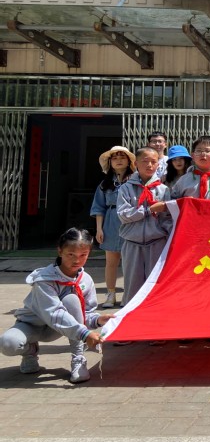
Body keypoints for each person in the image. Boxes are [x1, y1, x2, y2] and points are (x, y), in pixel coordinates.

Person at [0, 228, 112, 383]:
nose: (77, 260)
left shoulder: (86, 280)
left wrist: (98, 320)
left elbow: (84, 314)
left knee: (71, 300)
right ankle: (30, 351)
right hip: (32, 325)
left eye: (83, 255)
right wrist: (85, 334)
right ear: (60, 251)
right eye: (71, 254)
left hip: (56, 330)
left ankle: (78, 358)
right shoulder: (44, 279)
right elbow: (54, 312)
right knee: (8, 344)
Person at [117, 147, 173, 309]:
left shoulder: (163, 190)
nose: (149, 165)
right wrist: (148, 210)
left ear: (158, 165)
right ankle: (129, 317)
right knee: (132, 285)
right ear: (136, 164)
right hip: (132, 243)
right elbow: (123, 214)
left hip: (157, 242)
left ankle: (154, 318)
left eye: (153, 162)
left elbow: (167, 218)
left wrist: (168, 235)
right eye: (145, 161)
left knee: (154, 285)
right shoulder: (125, 188)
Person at [90, 145, 135, 309]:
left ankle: (128, 294)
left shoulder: (136, 181)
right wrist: (99, 229)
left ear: (129, 161)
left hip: (131, 223)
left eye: (122, 157)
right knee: (111, 262)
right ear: (110, 162)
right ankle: (110, 294)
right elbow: (99, 207)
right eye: (115, 158)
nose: (118, 160)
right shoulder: (105, 184)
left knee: (130, 262)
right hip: (110, 222)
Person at [170, 136, 210, 200]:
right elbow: (172, 201)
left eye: (207, 151)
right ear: (193, 156)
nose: (203, 154)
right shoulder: (184, 180)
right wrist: (182, 201)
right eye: (198, 151)